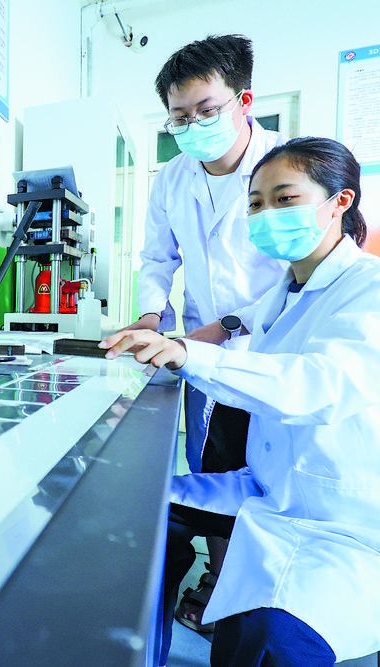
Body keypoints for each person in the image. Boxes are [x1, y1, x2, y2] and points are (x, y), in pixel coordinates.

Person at [101, 137, 380, 665]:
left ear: (340, 201)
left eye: (284, 199)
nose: (266, 214)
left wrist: (187, 355)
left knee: (266, 641)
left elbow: (319, 386)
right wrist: (196, 335)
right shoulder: (285, 294)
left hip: (352, 523)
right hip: (272, 492)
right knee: (140, 513)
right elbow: (242, 319)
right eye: (255, 203)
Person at [122, 34, 288, 630]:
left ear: (244, 100)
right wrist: (150, 316)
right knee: (214, 472)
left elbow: (301, 271)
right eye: (179, 118)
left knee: (272, 482)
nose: (193, 127)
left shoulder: (288, 167)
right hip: (199, 352)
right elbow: (156, 258)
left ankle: (264, 599)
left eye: (206, 110)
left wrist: (215, 332)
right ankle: (219, 589)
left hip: (274, 348)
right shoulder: (172, 177)